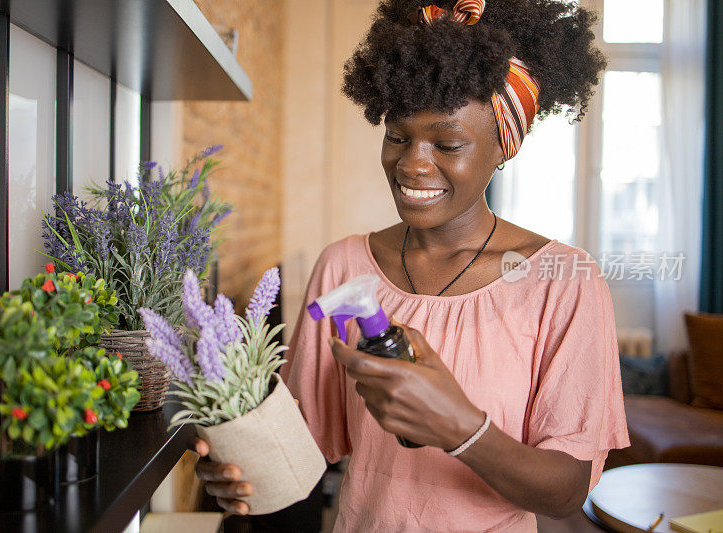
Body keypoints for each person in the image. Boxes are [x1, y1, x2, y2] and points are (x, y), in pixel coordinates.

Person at [193, 0, 631, 530]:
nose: (412, 163)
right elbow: (304, 448)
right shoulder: (344, 267)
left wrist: (460, 428)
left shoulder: (561, 284)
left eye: (447, 143)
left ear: (502, 149)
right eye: (398, 136)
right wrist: (238, 466)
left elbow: (566, 491)